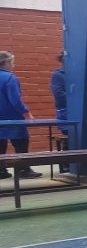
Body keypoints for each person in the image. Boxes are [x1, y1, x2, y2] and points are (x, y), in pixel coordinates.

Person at [0, 51, 42, 180]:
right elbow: (15, 100)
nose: (13, 65)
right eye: (12, 62)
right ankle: (23, 169)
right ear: (5, 62)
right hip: (12, 118)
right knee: (21, 143)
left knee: (0, 144)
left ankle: (1, 171)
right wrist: (26, 112)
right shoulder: (9, 78)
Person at [50, 54, 69, 172]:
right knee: (69, 138)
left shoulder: (77, 73)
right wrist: (76, 100)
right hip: (65, 112)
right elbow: (58, 94)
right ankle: (66, 164)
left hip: (79, 112)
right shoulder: (58, 75)